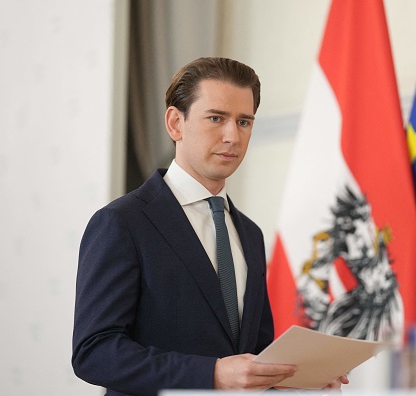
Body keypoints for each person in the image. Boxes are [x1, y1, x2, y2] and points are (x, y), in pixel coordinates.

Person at [72, 57, 347, 396]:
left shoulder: (250, 234)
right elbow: (94, 353)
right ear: (176, 123)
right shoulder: (122, 223)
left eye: (244, 121)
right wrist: (211, 374)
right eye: (216, 118)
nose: (233, 136)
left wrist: (298, 378)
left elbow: (253, 357)